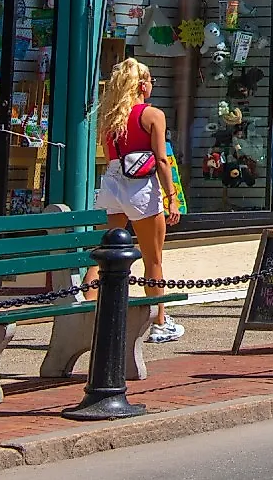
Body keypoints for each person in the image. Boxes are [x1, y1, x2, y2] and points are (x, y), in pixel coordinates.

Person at [95, 58, 184, 343]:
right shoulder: (152, 115)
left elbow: (110, 158)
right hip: (141, 188)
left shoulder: (111, 115)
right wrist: (172, 197)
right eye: (151, 81)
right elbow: (161, 159)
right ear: (142, 84)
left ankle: (89, 314)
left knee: (103, 255)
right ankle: (159, 321)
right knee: (152, 258)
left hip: (111, 183)